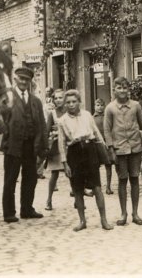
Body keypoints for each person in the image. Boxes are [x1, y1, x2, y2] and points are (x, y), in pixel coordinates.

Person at [57, 90, 113, 231]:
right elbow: (61, 143)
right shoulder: (62, 120)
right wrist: (65, 164)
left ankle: (104, 220)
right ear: (65, 104)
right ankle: (82, 221)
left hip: (90, 150)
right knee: (77, 189)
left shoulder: (87, 115)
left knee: (97, 188)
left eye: (74, 101)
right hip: (74, 153)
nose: (71, 104)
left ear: (79, 102)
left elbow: (96, 133)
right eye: (68, 102)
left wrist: (104, 149)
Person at [1, 67, 48, 223]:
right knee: (10, 179)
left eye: (26, 80)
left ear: (30, 82)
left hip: (30, 145)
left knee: (30, 179)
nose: (23, 82)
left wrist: (43, 147)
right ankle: (9, 213)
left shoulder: (36, 102)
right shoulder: (7, 98)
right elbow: (0, 121)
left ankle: (27, 209)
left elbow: (42, 125)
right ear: (15, 79)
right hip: (13, 144)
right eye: (21, 79)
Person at [103, 76, 142, 226]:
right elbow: (106, 130)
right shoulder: (110, 108)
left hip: (135, 148)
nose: (122, 90)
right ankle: (123, 213)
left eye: (125, 87)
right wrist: (110, 149)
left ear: (128, 90)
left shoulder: (136, 106)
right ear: (114, 90)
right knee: (122, 180)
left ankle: (135, 213)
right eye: (119, 88)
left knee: (135, 179)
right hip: (119, 149)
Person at [45, 89, 67, 210]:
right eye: (56, 98)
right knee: (55, 173)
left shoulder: (70, 111)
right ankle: (49, 200)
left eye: (60, 97)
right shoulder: (52, 113)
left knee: (73, 173)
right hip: (56, 146)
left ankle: (78, 198)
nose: (58, 100)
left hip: (69, 145)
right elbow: (47, 130)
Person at [92, 98, 114, 195]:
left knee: (108, 165)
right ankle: (96, 186)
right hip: (96, 144)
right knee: (95, 166)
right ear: (94, 106)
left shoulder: (107, 117)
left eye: (101, 105)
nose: (100, 107)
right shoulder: (92, 118)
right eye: (97, 105)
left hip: (106, 143)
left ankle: (108, 187)